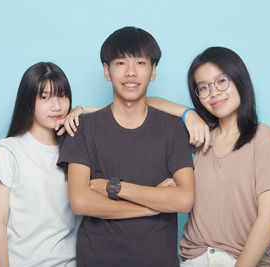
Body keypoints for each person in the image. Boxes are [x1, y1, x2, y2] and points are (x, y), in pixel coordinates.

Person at [58, 26, 196, 267]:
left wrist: (115, 188)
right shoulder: (82, 128)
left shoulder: (173, 128)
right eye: (121, 63)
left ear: (153, 72)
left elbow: (184, 199)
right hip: (97, 261)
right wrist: (153, 206)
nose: (131, 72)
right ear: (106, 71)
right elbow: (80, 201)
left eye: (140, 63)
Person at [175, 47, 270, 267]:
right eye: (203, 88)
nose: (214, 92)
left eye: (221, 81)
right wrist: (188, 114)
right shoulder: (199, 138)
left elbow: (269, 217)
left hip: (241, 260)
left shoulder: (263, 137)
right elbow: (142, 105)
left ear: (239, 79)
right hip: (193, 259)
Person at [0, 62, 80, 267]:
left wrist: (83, 111)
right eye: (45, 97)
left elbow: (126, 111)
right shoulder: (9, 150)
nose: (56, 106)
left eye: (62, 95)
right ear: (29, 103)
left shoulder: (76, 147)